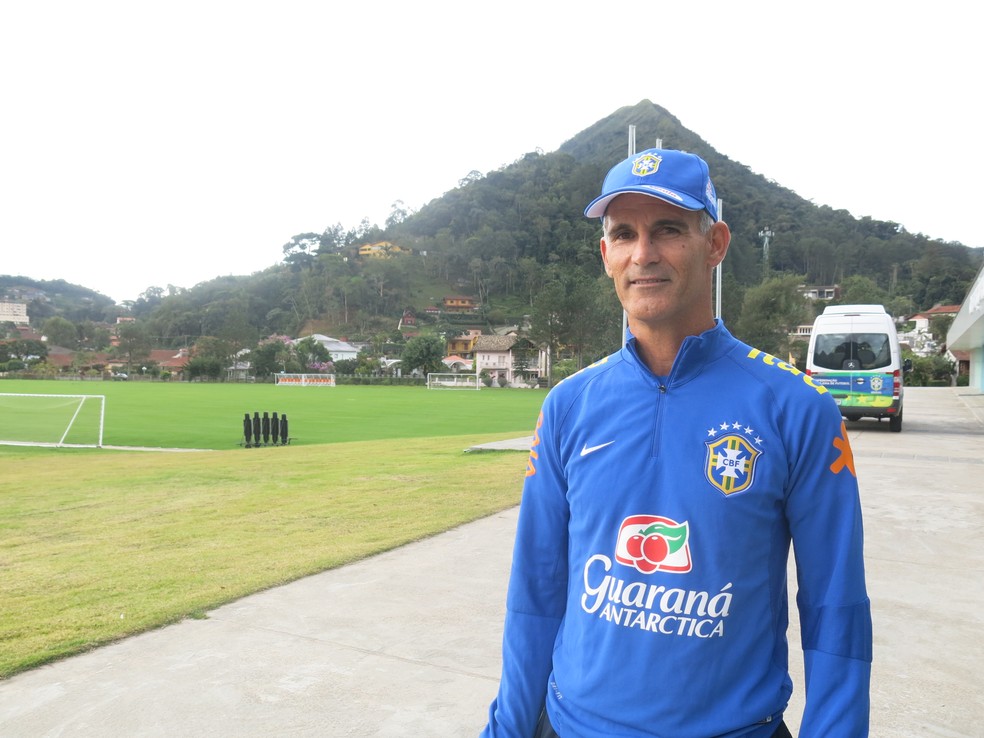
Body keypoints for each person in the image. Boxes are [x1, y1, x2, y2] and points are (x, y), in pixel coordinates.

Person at [481, 148, 871, 737]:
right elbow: (536, 590)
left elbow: (835, 607)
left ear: (714, 243)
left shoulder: (797, 408)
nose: (644, 254)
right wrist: (506, 728)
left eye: (668, 229)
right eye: (624, 234)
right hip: (570, 725)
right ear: (606, 253)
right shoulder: (569, 404)